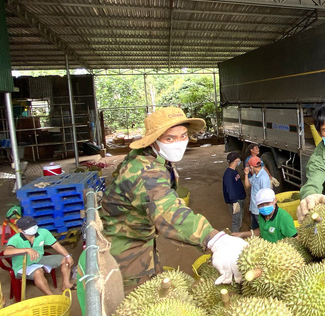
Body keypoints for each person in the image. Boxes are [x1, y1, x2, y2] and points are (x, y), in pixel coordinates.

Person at [100, 107, 247, 287]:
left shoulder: (155, 159)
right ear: (153, 140)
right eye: (169, 138)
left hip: (143, 236)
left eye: (183, 136)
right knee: (137, 302)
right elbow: (167, 210)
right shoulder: (143, 171)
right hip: (125, 247)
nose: (179, 143)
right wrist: (214, 240)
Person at [4, 216, 74, 295]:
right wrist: (28, 250)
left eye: (34, 225)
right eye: (29, 227)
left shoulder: (43, 233)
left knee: (65, 259)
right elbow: (6, 252)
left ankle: (66, 284)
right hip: (22, 265)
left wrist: (68, 255)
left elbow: (56, 245)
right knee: (38, 272)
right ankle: (51, 296)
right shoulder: (15, 239)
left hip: (39, 259)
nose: (33, 228)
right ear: (20, 230)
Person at [243, 156, 271, 232]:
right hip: (253, 208)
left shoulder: (263, 178)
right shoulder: (256, 175)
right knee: (254, 228)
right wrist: (246, 174)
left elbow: (265, 195)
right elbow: (247, 185)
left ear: (251, 167)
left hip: (259, 211)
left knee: (262, 229)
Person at [223, 151, 246, 232]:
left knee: (239, 220)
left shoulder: (234, 171)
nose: (239, 160)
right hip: (236, 200)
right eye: (238, 159)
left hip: (240, 198)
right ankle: (235, 237)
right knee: (236, 221)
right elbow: (230, 189)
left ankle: (237, 234)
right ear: (236, 160)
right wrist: (234, 202)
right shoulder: (229, 174)